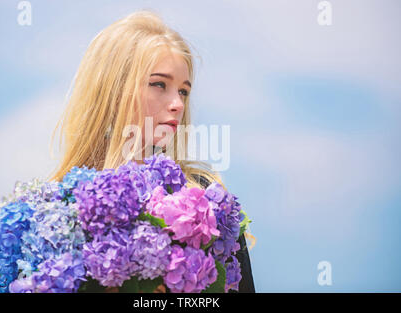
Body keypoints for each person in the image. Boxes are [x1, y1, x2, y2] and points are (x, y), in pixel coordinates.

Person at [48, 9, 255, 293]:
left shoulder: (207, 198)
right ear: (113, 91)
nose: (178, 104)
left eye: (183, 91)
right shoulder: (58, 206)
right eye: (160, 84)